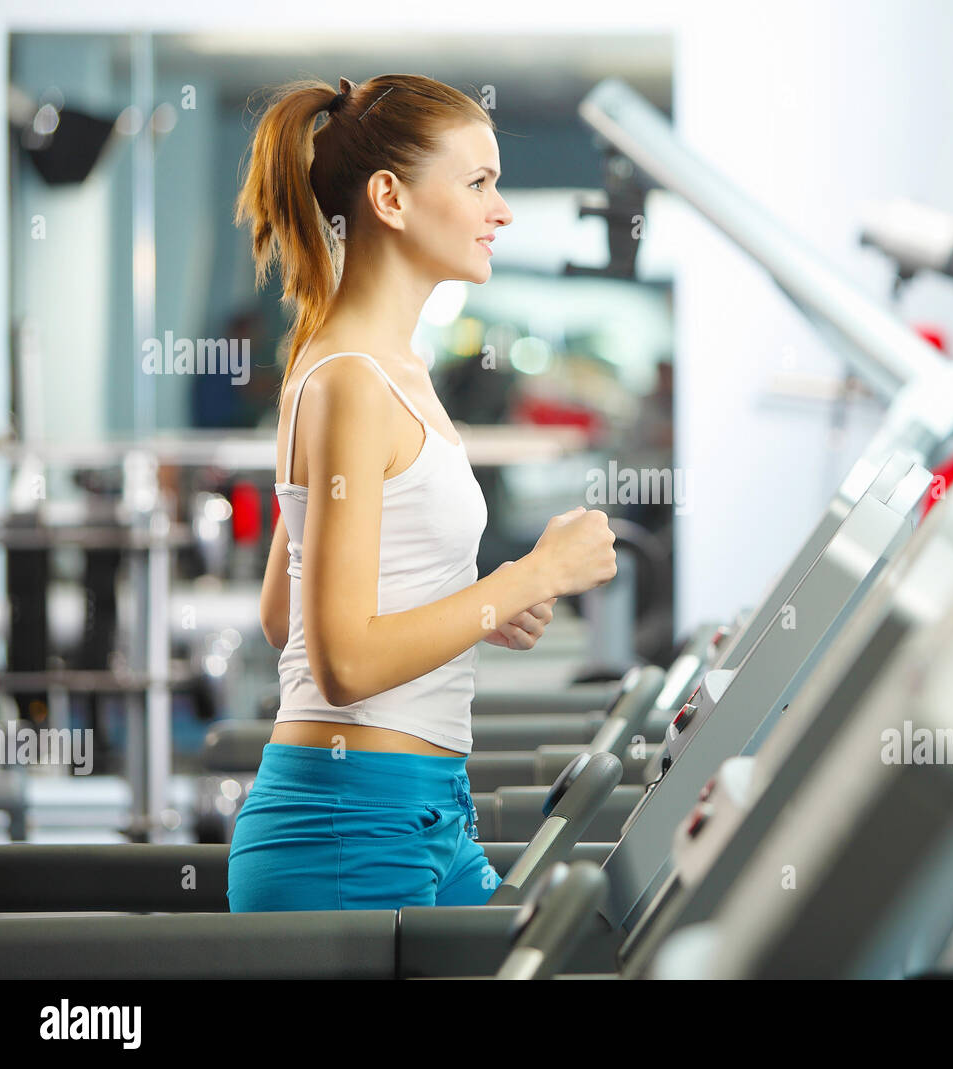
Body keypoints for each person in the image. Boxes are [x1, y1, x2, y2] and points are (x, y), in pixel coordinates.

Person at [226, 74, 617, 911]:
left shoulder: (371, 366)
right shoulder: (352, 380)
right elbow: (342, 662)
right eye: (478, 183)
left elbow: (282, 613)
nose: (502, 210)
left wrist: (465, 601)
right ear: (390, 199)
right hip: (344, 828)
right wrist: (528, 578)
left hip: (426, 811)